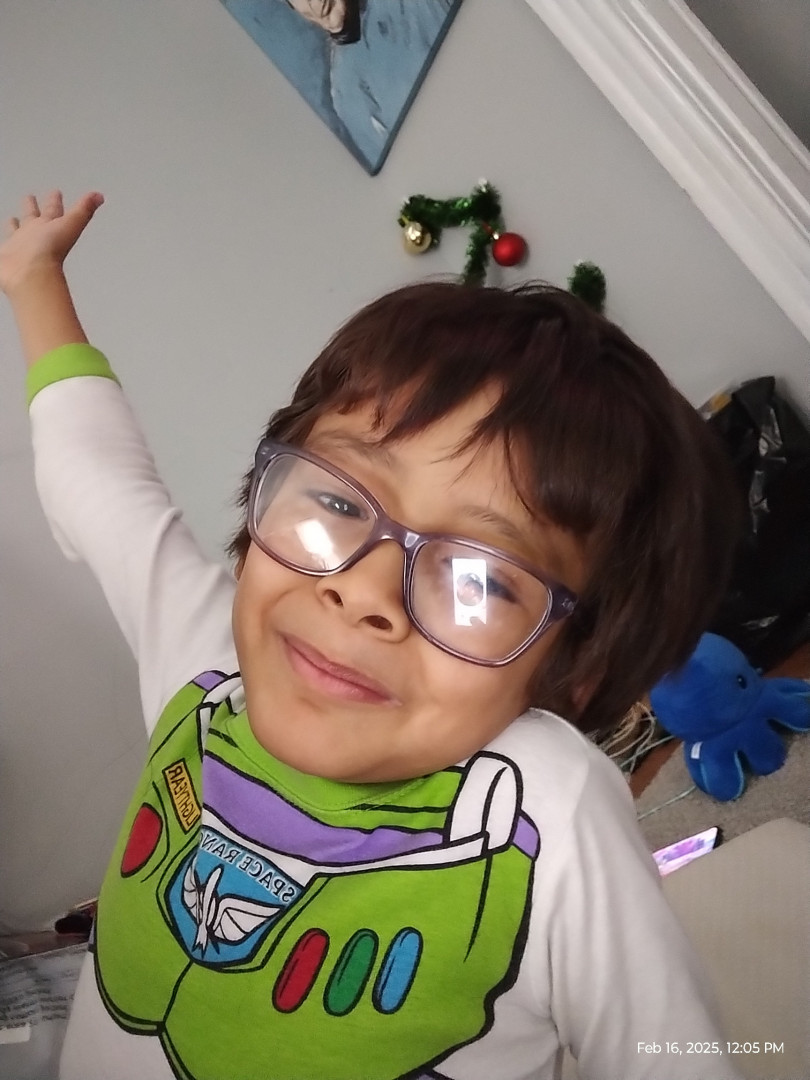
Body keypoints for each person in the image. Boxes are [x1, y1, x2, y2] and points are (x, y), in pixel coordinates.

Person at [1, 190, 745, 1080]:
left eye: (479, 579)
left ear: (580, 666)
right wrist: (35, 280)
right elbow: (101, 483)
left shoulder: (545, 805)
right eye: (338, 500)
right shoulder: (210, 659)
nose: (363, 591)